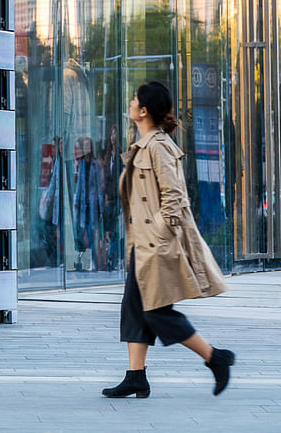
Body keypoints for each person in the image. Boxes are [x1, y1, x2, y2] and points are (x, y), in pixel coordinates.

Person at [102, 81, 235, 399]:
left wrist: (161, 238)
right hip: (142, 244)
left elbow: (175, 197)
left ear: (144, 110)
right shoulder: (144, 144)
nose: (131, 103)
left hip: (156, 245)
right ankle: (136, 376)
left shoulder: (159, 147)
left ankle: (215, 357)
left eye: (135, 99)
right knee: (135, 308)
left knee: (156, 311)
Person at [73, 135, 103, 270]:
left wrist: (100, 205)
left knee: (91, 231)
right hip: (82, 203)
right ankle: (82, 259)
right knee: (81, 230)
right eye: (84, 146)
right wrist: (76, 200)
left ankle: (93, 260)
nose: (86, 148)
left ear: (90, 148)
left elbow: (98, 185)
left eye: (88, 146)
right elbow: (79, 183)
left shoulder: (95, 163)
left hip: (92, 202)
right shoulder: (81, 163)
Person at [103, 124, 120, 271]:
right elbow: (106, 178)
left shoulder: (120, 154)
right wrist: (106, 196)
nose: (112, 137)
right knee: (111, 229)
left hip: (119, 197)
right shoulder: (109, 155)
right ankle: (111, 257)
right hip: (110, 197)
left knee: (116, 230)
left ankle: (111, 258)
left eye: (115, 134)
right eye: (111, 134)